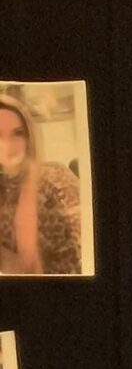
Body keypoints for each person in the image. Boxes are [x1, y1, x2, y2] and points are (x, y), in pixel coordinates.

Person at [0, 93, 83, 275]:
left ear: (29, 136)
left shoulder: (55, 179)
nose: (8, 144)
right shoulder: (3, 187)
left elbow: (81, 261)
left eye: (18, 133)